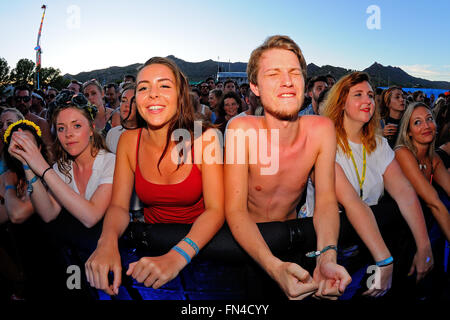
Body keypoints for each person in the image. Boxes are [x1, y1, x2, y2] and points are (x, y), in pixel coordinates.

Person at [225, 35, 351, 300]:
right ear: (255, 87)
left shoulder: (321, 130)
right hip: (248, 247)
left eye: (294, 72)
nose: (287, 81)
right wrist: (273, 267)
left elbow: (326, 200)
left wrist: (326, 256)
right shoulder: (241, 130)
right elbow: (235, 210)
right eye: (273, 73)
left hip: (295, 242)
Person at [85, 56, 224, 296]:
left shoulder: (205, 138)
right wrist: (107, 241)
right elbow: (118, 205)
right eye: (144, 88)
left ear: (180, 95)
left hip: (201, 246)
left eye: (164, 85)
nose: (153, 94)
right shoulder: (129, 141)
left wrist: (179, 255)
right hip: (153, 243)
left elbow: (216, 210)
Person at [305, 72, 433, 298]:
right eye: (358, 95)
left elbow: (405, 192)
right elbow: (352, 202)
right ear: (341, 102)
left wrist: (424, 246)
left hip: (365, 241)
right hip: (324, 244)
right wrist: (384, 259)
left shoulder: (379, 144)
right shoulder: (324, 141)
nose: (368, 101)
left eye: (371, 95)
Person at [7, 91, 115, 259]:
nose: (68, 134)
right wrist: (27, 165)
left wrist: (42, 166)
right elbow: (48, 213)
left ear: (92, 129)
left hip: (112, 254)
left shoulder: (111, 162)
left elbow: (91, 217)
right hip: (79, 256)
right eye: (61, 128)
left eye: (76, 126)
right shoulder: (62, 167)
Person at [394, 102, 450, 241]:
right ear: (408, 132)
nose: (426, 126)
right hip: (396, 231)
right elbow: (434, 203)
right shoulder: (402, 153)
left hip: (420, 226)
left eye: (429, 119)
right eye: (417, 122)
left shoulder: (434, 159)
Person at [106, 83, 138, 154]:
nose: (126, 105)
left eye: (133, 101)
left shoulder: (149, 135)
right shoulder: (112, 134)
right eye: (123, 100)